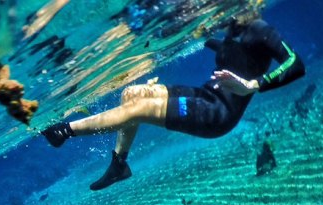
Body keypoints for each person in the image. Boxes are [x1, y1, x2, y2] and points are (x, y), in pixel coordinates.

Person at [41, 6, 305, 191]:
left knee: (139, 108)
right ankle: (119, 165)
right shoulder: (232, 29)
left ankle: (64, 131)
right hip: (203, 96)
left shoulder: (260, 29)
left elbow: (295, 63)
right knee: (131, 93)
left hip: (216, 114)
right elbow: (225, 48)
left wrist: (253, 84)